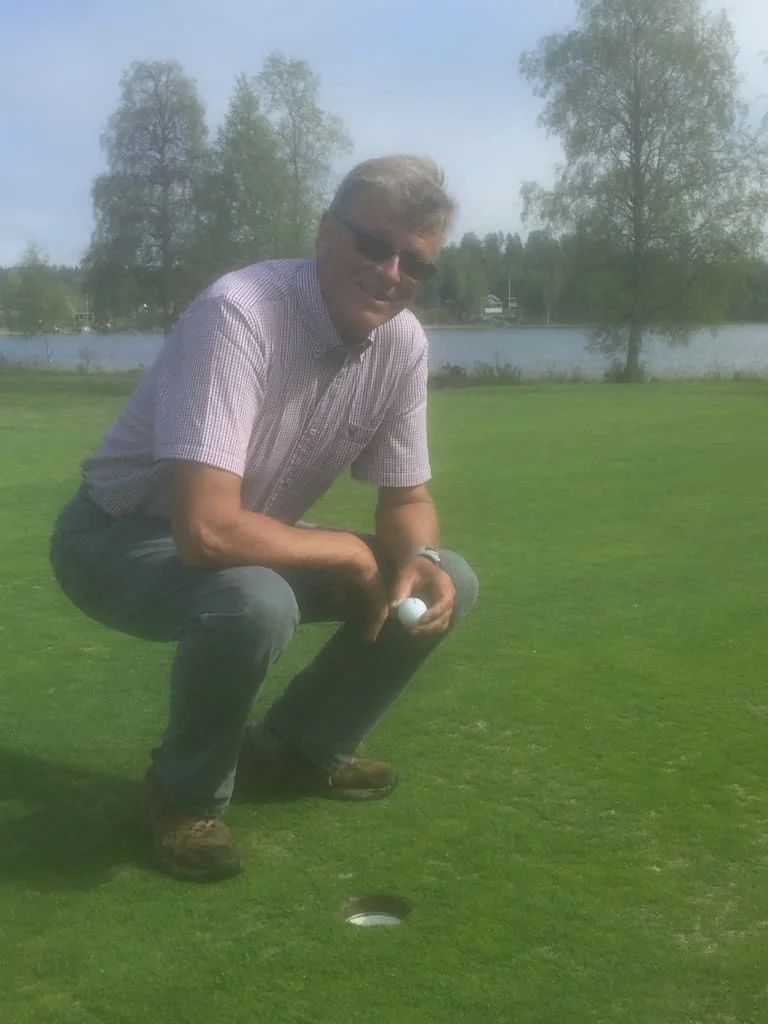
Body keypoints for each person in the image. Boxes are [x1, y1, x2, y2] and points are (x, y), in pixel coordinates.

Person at [50, 154, 479, 883]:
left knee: (448, 578)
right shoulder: (240, 312)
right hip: (112, 537)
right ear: (326, 233)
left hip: (236, 536)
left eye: (414, 262)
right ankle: (181, 796)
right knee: (255, 598)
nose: (390, 273)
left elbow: (407, 500)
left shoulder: (403, 343)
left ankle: (297, 752)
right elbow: (206, 531)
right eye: (374, 244)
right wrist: (350, 554)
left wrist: (420, 560)